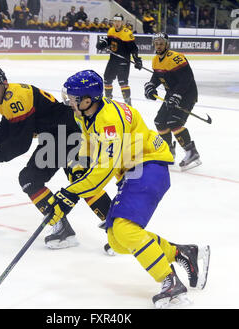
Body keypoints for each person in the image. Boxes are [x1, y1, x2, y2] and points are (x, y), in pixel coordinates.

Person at [47, 69, 210, 308]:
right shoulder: (85, 114)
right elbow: (88, 142)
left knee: (123, 229)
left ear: (87, 100)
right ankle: (182, 252)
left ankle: (171, 283)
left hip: (149, 166)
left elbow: (102, 172)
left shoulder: (110, 122)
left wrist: (70, 193)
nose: (68, 101)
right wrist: (80, 169)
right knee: (116, 240)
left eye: (72, 98)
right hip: (133, 169)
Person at [0, 65, 113, 252]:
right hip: (62, 133)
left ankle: (110, 230)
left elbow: (20, 142)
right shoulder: (7, 97)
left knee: (33, 179)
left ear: (3, 82)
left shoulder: (16, 97)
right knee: (79, 180)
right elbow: (8, 123)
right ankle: (112, 228)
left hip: (65, 134)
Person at [144, 32, 201, 171]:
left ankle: (191, 152)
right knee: (160, 122)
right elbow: (157, 76)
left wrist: (177, 95)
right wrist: (151, 86)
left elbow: (186, 79)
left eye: (161, 43)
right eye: (156, 43)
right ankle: (168, 151)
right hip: (172, 94)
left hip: (187, 94)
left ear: (167, 44)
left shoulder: (176, 58)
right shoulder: (156, 60)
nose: (158, 46)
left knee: (174, 122)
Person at [96, 13, 142, 106]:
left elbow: (133, 48)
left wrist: (137, 60)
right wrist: (103, 43)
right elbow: (109, 41)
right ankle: (108, 100)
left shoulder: (127, 33)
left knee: (123, 82)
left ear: (122, 22)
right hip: (113, 60)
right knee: (107, 80)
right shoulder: (111, 30)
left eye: (119, 21)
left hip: (123, 61)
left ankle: (128, 103)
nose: (117, 23)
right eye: (115, 21)